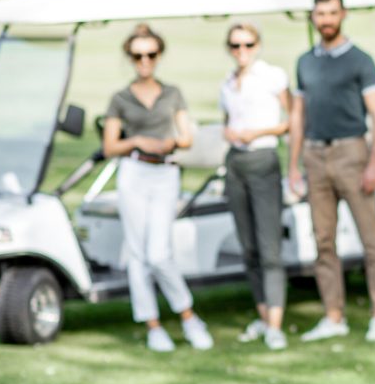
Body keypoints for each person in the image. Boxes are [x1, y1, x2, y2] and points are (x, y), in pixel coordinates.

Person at [287, 0, 375, 344]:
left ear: (342, 15)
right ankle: (334, 316)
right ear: (313, 18)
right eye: (320, 14)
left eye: (332, 13)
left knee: (371, 240)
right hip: (315, 156)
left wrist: (374, 163)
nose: (326, 20)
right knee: (323, 241)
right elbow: (298, 115)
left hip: (352, 153)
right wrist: (293, 165)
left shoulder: (360, 60)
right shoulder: (305, 62)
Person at [102, 23, 214, 353]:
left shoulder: (172, 93)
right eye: (138, 55)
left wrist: (168, 142)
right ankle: (152, 324)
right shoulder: (120, 98)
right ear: (130, 57)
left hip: (164, 172)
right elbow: (111, 145)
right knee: (137, 254)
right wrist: (136, 140)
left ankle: (188, 316)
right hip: (134, 172)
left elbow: (187, 137)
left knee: (158, 253)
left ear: (159, 55)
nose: (144, 60)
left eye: (150, 54)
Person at [219, 22, 292, 351]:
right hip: (236, 163)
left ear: (258, 45)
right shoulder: (228, 83)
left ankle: (276, 324)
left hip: (263, 159)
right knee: (247, 247)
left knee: (269, 247)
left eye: (247, 45)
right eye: (235, 46)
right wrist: (231, 133)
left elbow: (292, 119)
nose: (242, 51)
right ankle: (262, 317)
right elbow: (227, 120)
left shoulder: (272, 76)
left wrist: (259, 134)